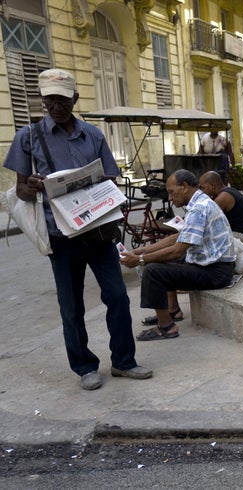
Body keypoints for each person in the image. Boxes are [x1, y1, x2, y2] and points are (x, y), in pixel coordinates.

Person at [2, 69, 152, 390]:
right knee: (71, 307)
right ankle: (84, 366)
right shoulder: (27, 137)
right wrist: (32, 186)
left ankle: (124, 361)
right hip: (61, 236)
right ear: (43, 100)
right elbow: (21, 191)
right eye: (51, 100)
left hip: (98, 232)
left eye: (63, 100)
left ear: (75, 99)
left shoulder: (94, 136)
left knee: (118, 298)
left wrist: (100, 189)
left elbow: (110, 178)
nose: (57, 106)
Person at [120, 169, 236, 340]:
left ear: (185, 186)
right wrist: (142, 250)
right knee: (160, 259)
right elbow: (179, 237)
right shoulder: (199, 203)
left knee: (153, 270)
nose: (169, 198)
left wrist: (140, 259)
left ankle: (166, 327)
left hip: (216, 272)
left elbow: (177, 250)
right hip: (214, 266)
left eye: (171, 192)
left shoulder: (199, 208)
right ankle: (173, 310)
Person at [199, 171, 243, 250]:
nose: (201, 191)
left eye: (202, 188)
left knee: (208, 238)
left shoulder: (222, 198)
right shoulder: (228, 191)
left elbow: (207, 222)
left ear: (212, 186)